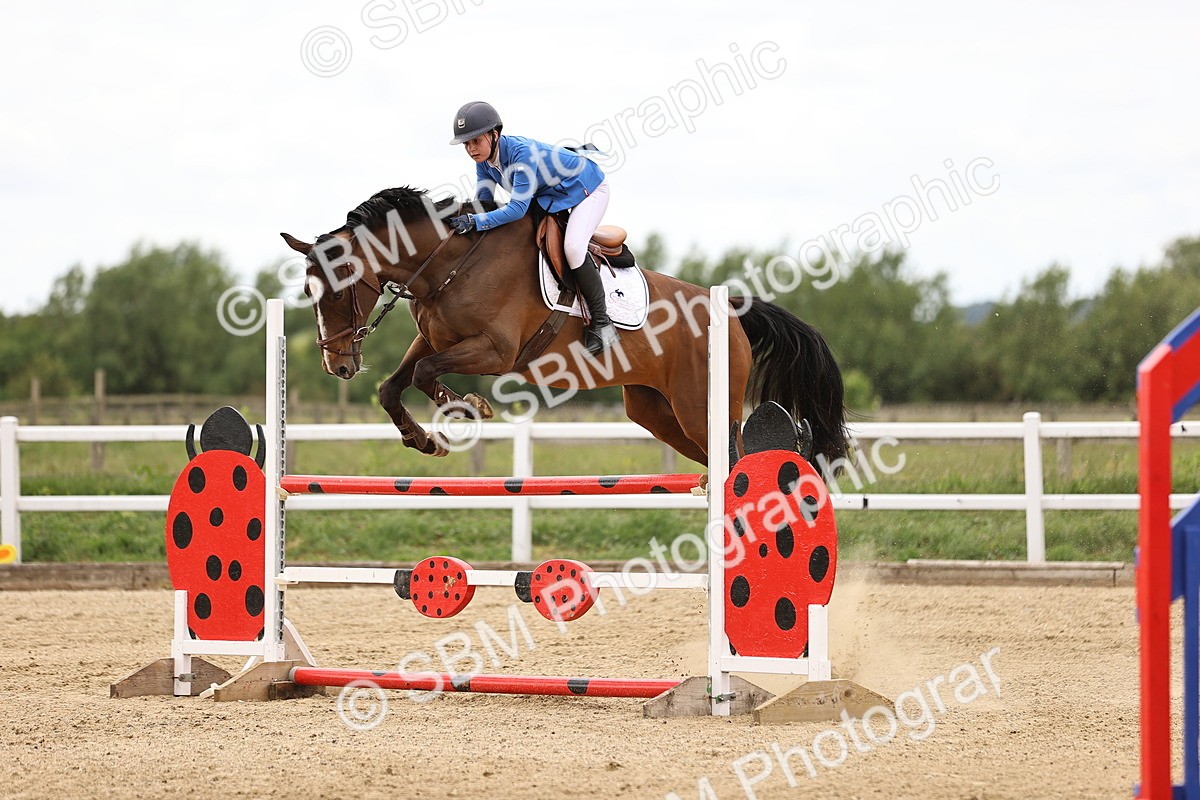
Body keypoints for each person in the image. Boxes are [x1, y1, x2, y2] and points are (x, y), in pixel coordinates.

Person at [447, 101, 618, 355]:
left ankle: (603, 325)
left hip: (587, 188)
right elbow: (483, 202)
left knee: (572, 247)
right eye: (466, 144)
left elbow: (516, 209)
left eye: (476, 141)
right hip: (551, 195)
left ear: (495, 135)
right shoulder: (483, 161)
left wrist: (476, 221)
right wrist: (458, 220)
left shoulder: (521, 154)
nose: (471, 149)